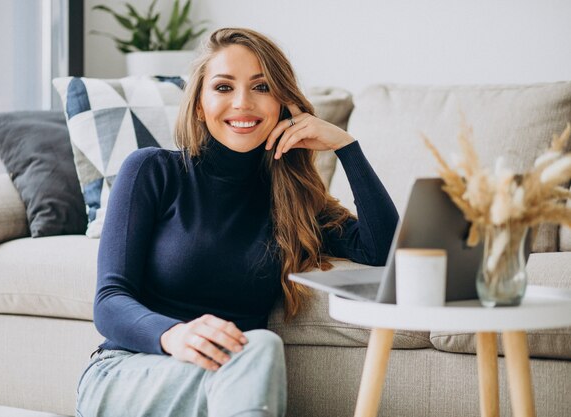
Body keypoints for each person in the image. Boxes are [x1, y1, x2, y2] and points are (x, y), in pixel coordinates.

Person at [75, 27, 398, 417]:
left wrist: (346, 147)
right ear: (199, 104)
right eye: (224, 88)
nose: (242, 103)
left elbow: (383, 250)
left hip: (228, 381)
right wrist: (175, 335)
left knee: (254, 351)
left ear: (283, 102)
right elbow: (109, 302)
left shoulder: (294, 202)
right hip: (127, 372)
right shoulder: (153, 170)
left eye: (261, 87)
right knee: (258, 347)